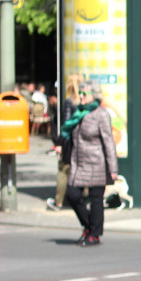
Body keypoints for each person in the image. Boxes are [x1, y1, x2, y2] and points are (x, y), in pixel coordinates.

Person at [63, 81, 119, 247]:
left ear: (94, 96)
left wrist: (113, 168)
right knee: (72, 194)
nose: (80, 96)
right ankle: (88, 225)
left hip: (97, 164)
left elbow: (109, 142)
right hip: (78, 163)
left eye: (84, 94)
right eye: (80, 93)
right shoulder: (78, 113)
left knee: (96, 200)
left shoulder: (101, 114)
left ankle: (94, 234)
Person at [47, 76, 83, 211]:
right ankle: (82, 199)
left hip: (69, 142)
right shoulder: (83, 102)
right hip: (82, 142)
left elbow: (67, 124)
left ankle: (59, 202)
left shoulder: (69, 102)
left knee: (63, 170)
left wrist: (60, 143)